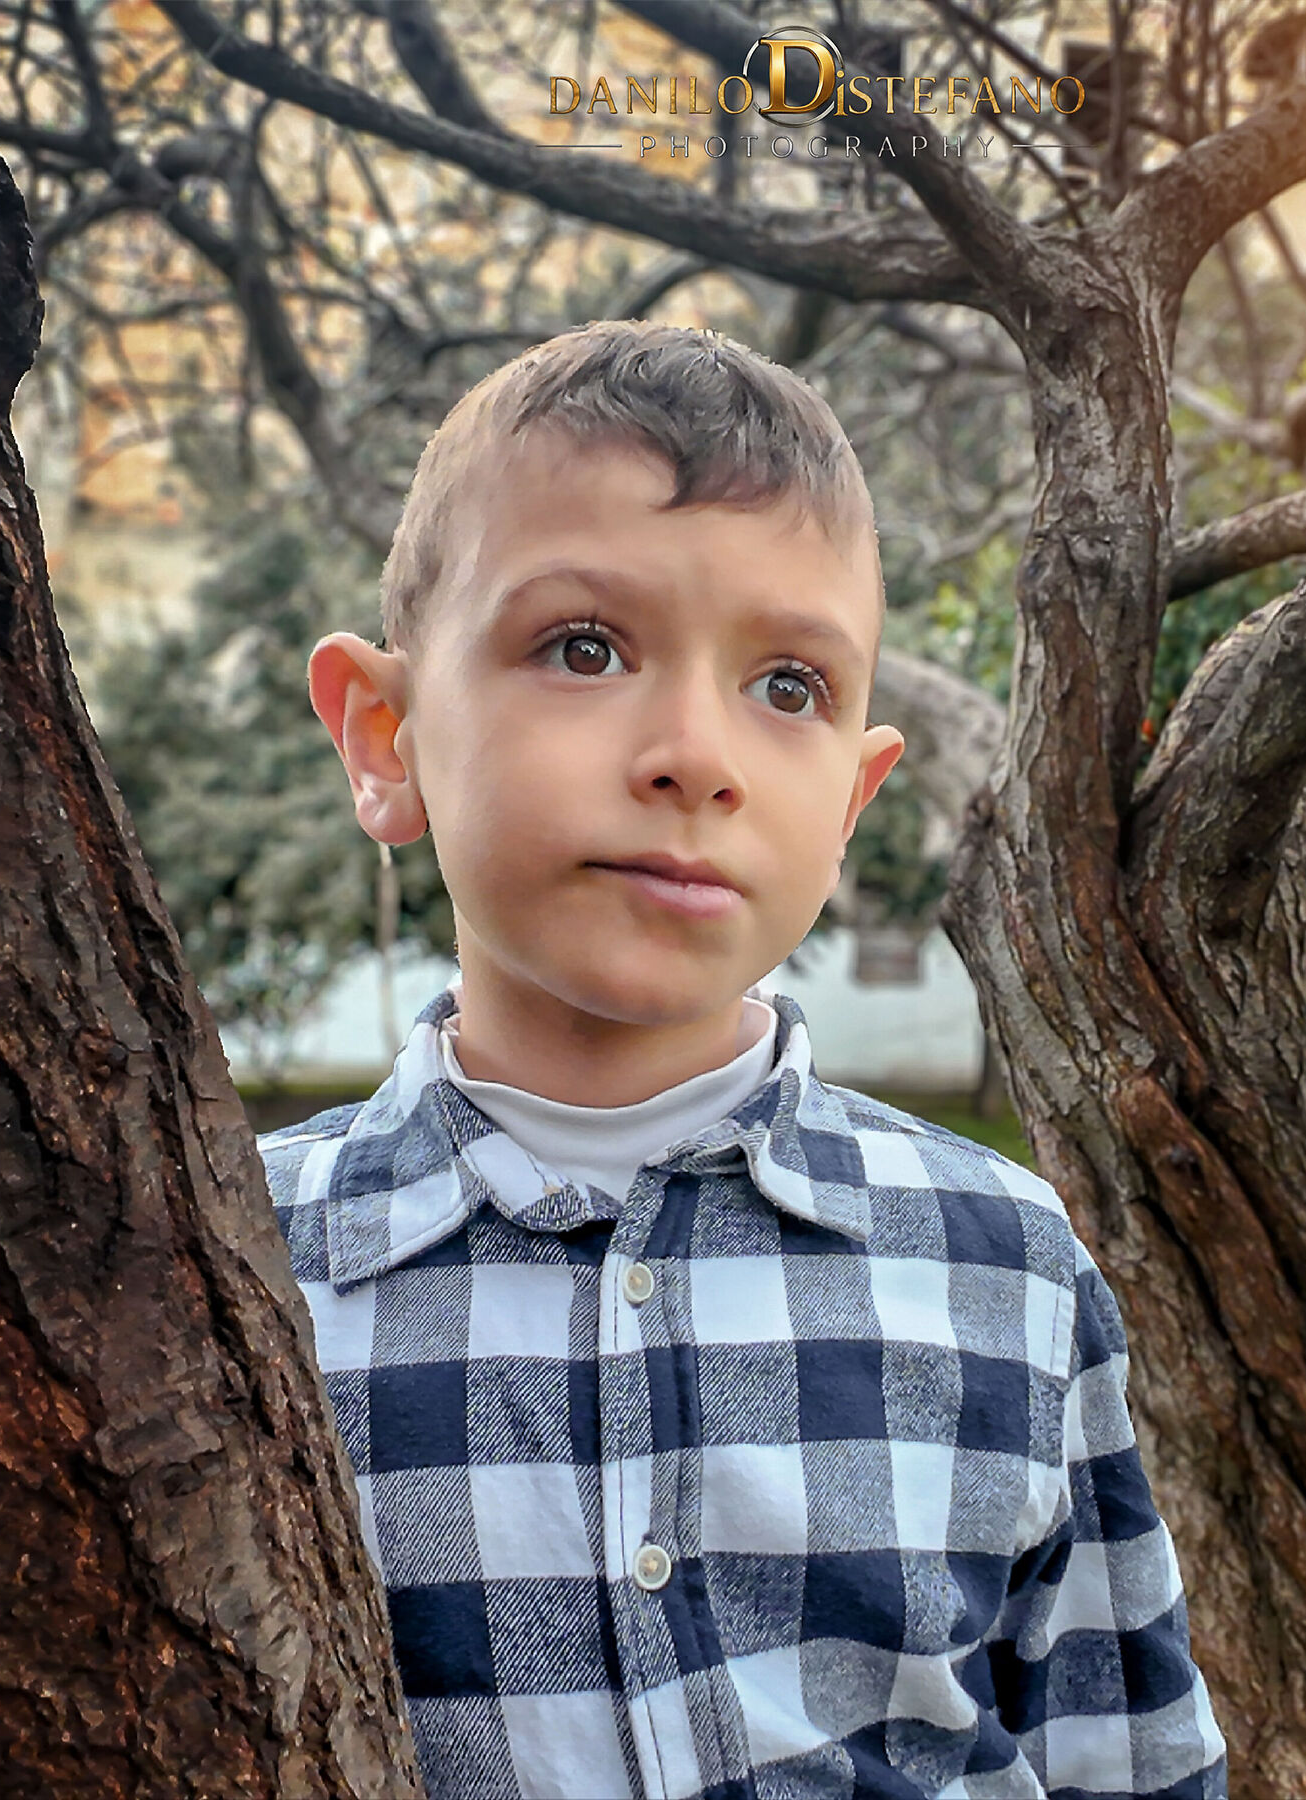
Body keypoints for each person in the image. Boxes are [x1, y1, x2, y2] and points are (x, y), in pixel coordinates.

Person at [260, 319, 1227, 1799]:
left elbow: (1128, 1761)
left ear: (851, 800)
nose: (696, 754)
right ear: (383, 736)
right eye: (583, 647)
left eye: (789, 686)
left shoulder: (1008, 1266)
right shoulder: (241, 1276)